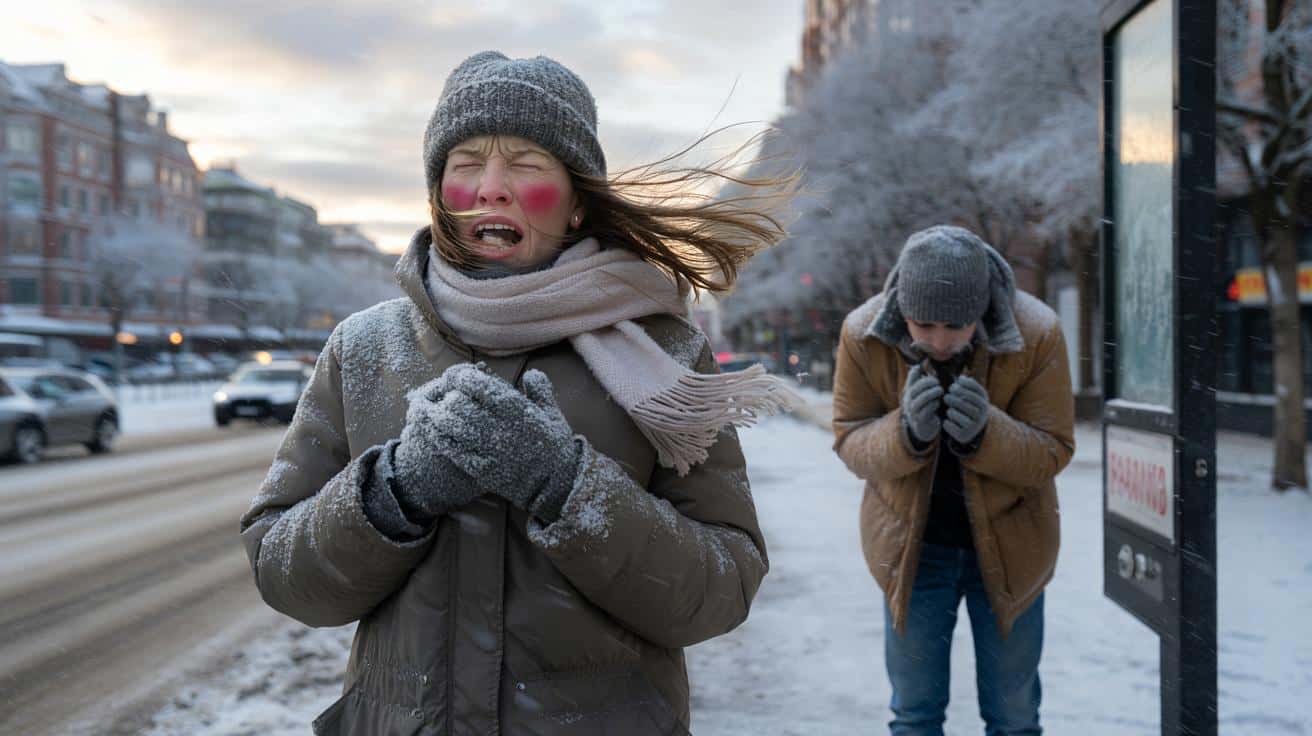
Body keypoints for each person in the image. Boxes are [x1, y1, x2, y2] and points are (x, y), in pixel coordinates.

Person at [238, 50, 801, 735]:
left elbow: (719, 589)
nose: (491, 186)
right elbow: (284, 574)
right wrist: (394, 492)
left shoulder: (666, 355)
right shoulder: (362, 349)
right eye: (467, 161)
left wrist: (565, 484)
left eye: (527, 163)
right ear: (438, 190)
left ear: (575, 205)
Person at [830, 225, 1075, 735]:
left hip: (1014, 551)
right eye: (923, 325)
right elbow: (850, 441)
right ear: (902, 308)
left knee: (1014, 717)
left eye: (957, 325)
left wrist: (986, 433)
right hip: (912, 553)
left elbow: (1053, 449)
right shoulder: (862, 334)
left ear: (983, 310)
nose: (939, 341)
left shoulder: (1037, 334)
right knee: (914, 714)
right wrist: (905, 434)